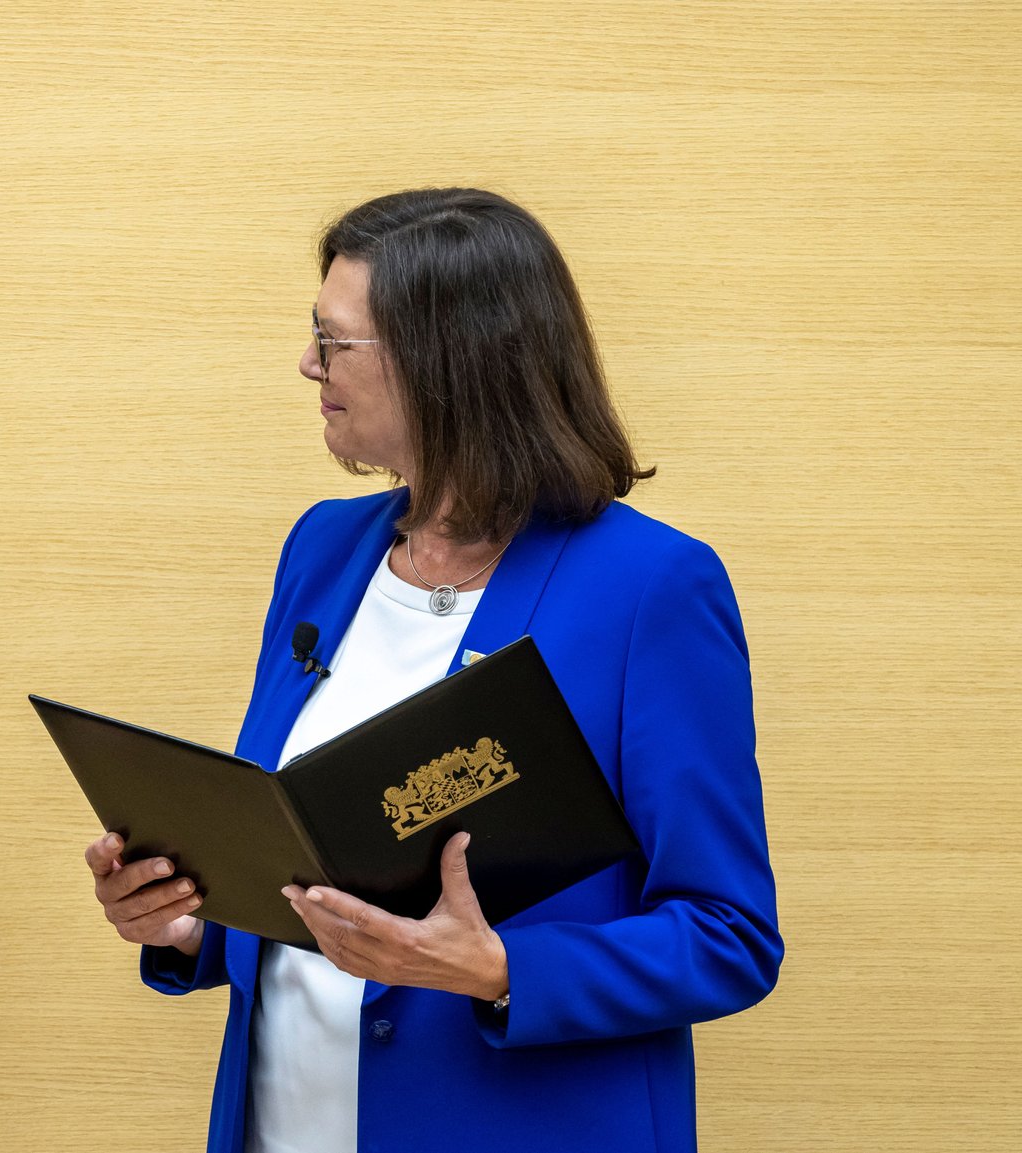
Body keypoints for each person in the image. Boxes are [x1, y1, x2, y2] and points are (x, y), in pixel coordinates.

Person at [82, 188, 782, 1153]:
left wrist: (500, 968)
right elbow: (314, 864)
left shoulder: (650, 588)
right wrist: (188, 924)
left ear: (441, 365)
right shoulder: (324, 549)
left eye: (333, 341)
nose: (307, 364)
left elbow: (728, 934)